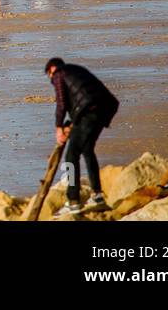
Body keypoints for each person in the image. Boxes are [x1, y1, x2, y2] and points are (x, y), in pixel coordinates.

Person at [45, 57, 118, 216]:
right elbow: (82, 97)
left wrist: (58, 127)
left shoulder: (58, 74)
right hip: (105, 108)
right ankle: (97, 196)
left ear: (51, 69)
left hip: (89, 112)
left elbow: (62, 103)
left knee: (71, 156)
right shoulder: (75, 70)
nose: (51, 80)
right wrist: (71, 123)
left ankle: (73, 201)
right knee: (87, 150)